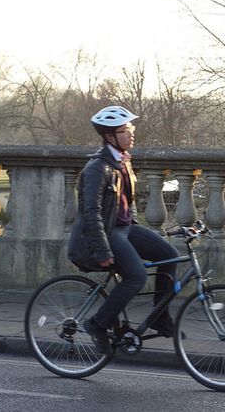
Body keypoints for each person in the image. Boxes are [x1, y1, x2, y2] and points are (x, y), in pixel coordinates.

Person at [68, 105, 179, 353]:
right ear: (109, 136)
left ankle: (159, 317)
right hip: (107, 234)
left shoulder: (122, 162)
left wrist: (134, 229)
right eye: (125, 130)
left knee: (170, 255)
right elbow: (91, 213)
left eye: (131, 128)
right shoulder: (98, 168)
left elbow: (127, 204)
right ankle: (96, 324)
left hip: (125, 228)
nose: (131, 133)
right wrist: (103, 250)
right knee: (137, 277)